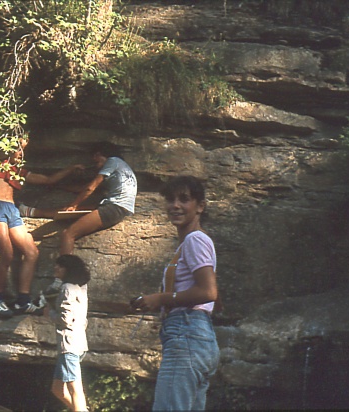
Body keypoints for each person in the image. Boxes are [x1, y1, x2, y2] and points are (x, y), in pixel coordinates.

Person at [131, 175, 220, 411]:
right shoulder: (191, 243)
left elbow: (209, 292)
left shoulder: (194, 240)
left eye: (184, 199)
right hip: (197, 338)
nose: (175, 206)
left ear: (200, 206)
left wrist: (161, 299)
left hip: (187, 335)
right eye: (170, 200)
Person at [0, 137, 84, 319]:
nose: (21, 154)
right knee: (6, 254)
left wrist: (70, 168)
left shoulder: (18, 171)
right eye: (18, 150)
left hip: (12, 209)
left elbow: (48, 180)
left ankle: (23, 300)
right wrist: (19, 140)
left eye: (23, 151)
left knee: (31, 253)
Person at [21, 141, 137, 296]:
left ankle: (61, 280)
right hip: (118, 208)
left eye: (96, 161)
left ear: (98, 155)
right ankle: (31, 211)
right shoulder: (122, 169)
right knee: (69, 214)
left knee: (68, 234)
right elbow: (85, 189)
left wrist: (74, 205)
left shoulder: (112, 161)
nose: (96, 165)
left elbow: (91, 188)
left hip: (113, 207)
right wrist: (60, 187)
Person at [46, 254, 90, 412]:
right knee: (57, 388)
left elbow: (65, 319)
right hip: (78, 343)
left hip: (69, 346)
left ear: (68, 270)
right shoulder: (81, 288)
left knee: (75, 388)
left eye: (61, 266)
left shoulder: (66, 288)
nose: (56, 268)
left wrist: (49, 313)